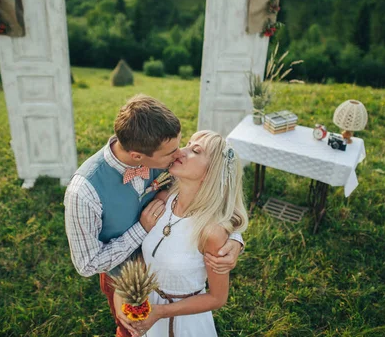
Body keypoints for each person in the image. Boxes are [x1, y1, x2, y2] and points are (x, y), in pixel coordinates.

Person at [64, 95, 244, 337]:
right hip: (124, 279)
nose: (179, 153)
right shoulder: (83, 192)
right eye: (173, 151)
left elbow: (215, 195)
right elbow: (87, 264)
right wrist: (142, 229)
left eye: (185, 146)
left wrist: (234, 240)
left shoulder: (162, 151)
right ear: (138, 156)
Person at [114, 130, 249, 337]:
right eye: (187, 143)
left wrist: (160, 312)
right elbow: (147, 254)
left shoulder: (211, 232)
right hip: (147, 310)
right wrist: (125, 290)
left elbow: (217, 298)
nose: (180, 152)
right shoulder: (162, 200)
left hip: (183, 322)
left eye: (195, 150)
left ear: (210, 173)